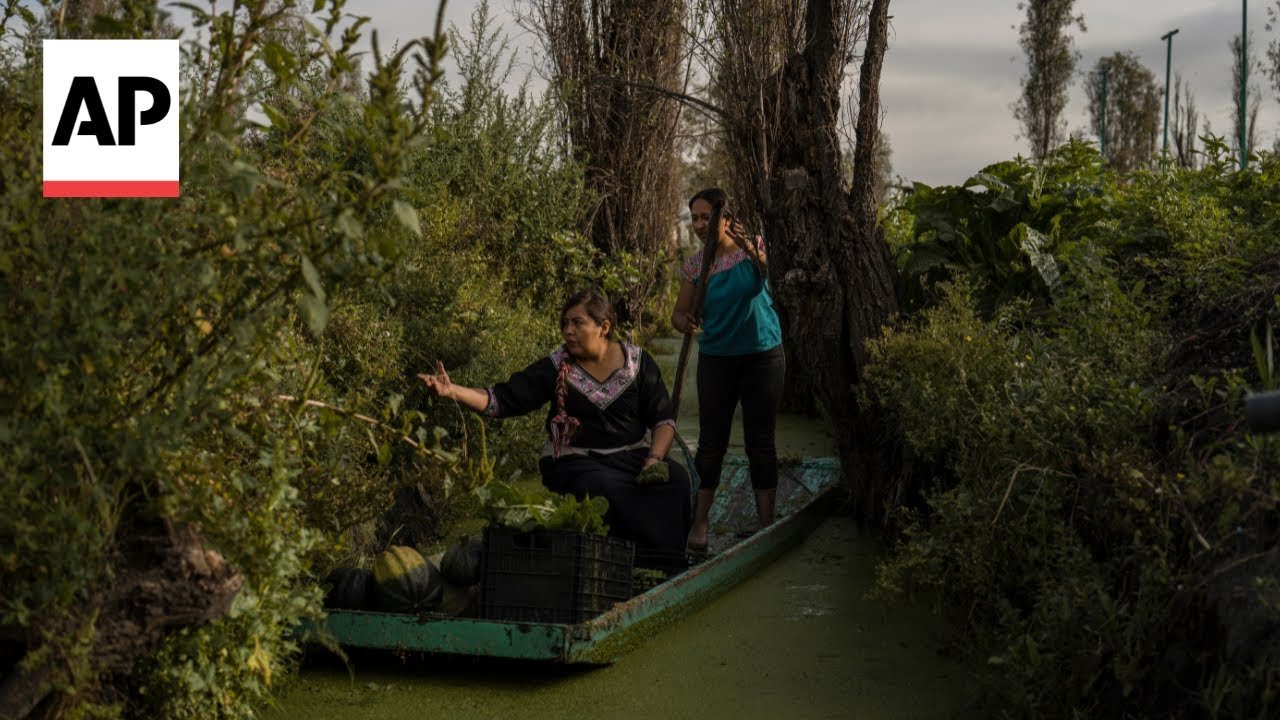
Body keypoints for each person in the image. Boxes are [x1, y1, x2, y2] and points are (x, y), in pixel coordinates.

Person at [418, 287, 691, 558]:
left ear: (603, 327)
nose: (567, 331)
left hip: (631, 456)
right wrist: (453, 391)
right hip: (576, 462)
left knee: (675, 480)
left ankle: (664, 559)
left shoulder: (638, 363)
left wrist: (654, 459)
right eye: (565, 323)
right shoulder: (555, 366)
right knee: (602, 490)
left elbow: (663, 420)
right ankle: (622, 559)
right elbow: (501, 399)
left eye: (577, 323)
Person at [671, 188, 784, 552]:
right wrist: (683, 322)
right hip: (717, 358)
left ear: (727, 219)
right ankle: (700, 523)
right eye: (696, 219)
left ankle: (766, 524)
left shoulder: (753, 249)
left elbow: (769, 269)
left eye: (708, 217)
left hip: (761, 356)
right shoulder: (694, 266)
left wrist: (747, 245)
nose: (701, 225)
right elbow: (677, 314)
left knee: (760, 442)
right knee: (710, 443)